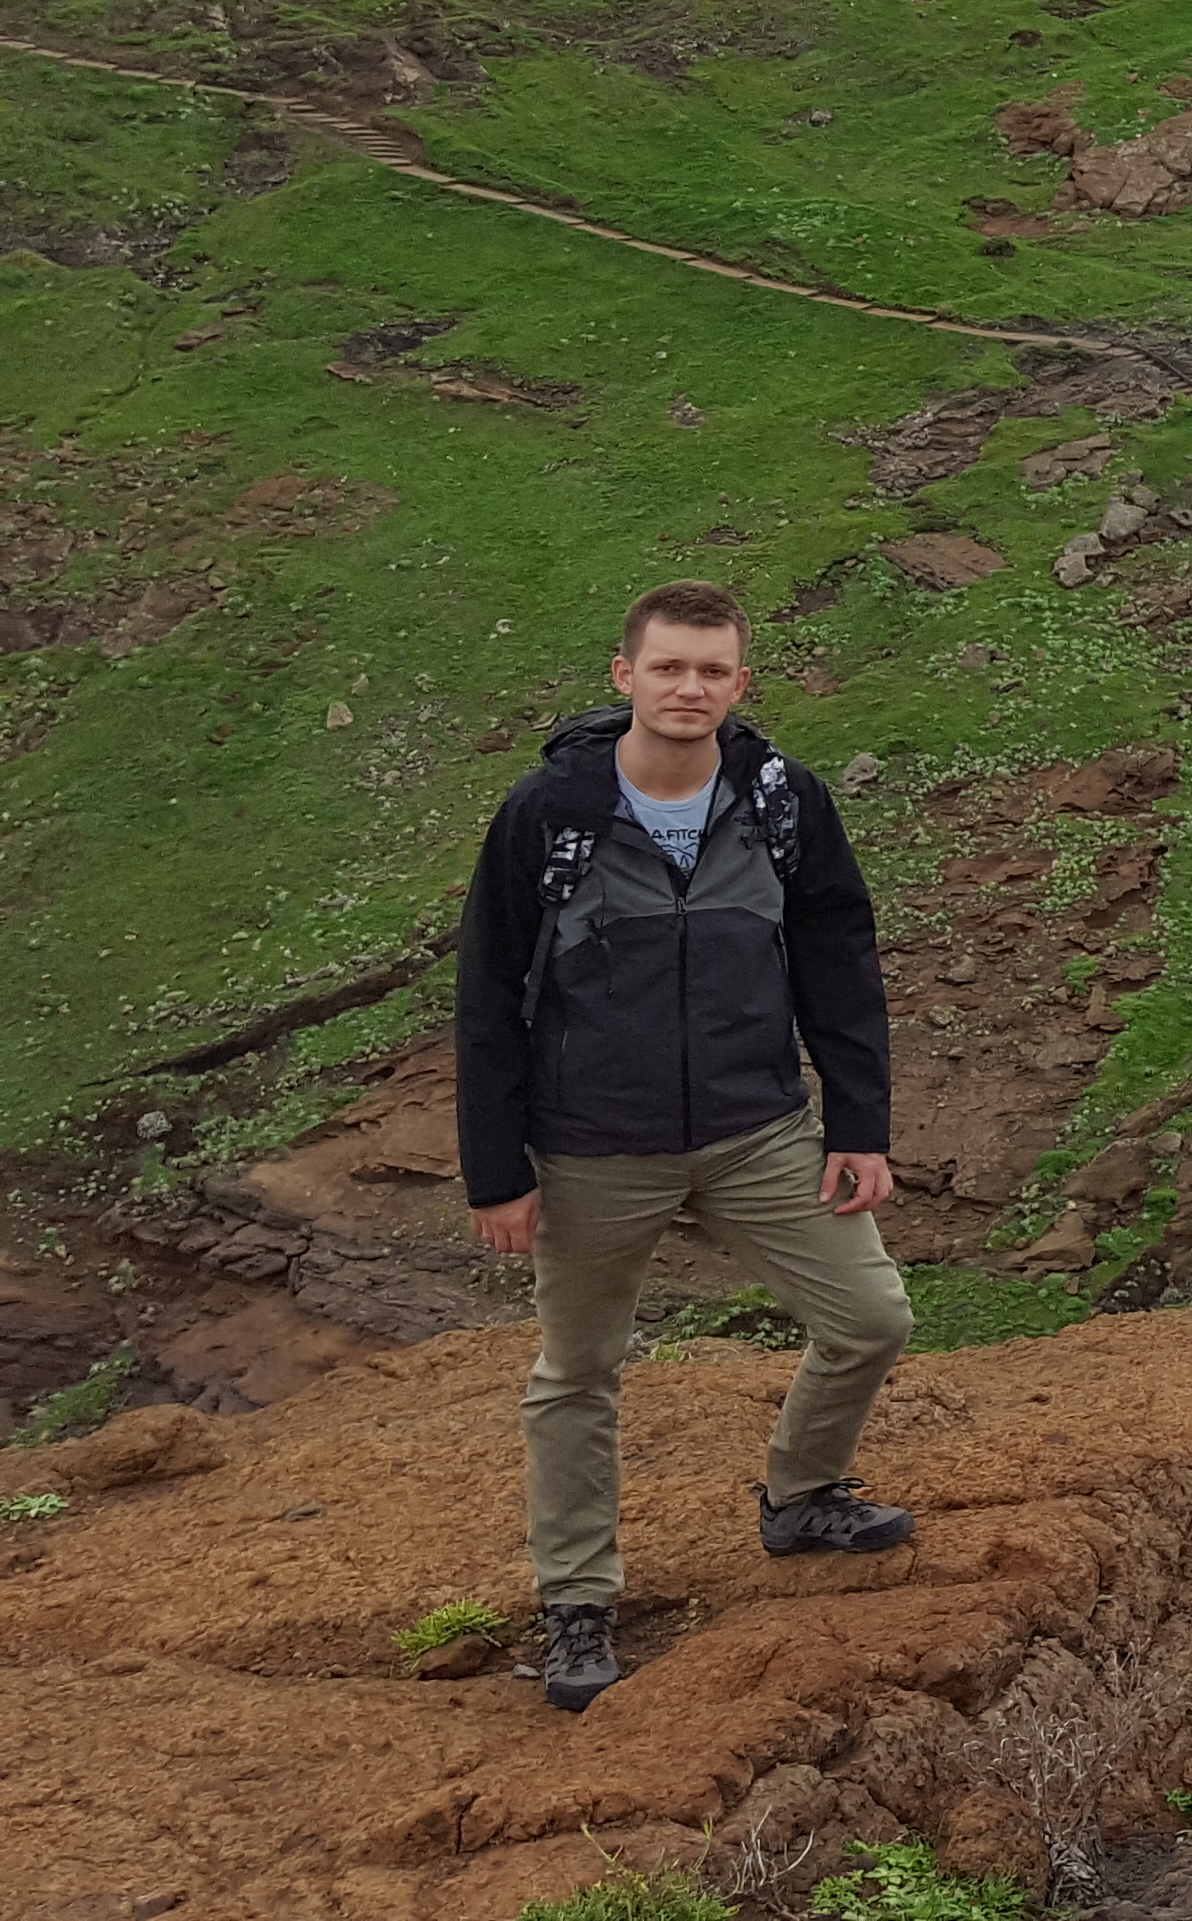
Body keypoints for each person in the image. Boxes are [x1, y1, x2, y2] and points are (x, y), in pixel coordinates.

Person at [452, 579, 916, 1714]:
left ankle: (802, 1495)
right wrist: (497, 1171)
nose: (689, 688)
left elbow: (838, 960)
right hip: (592, 1148)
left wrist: (858, 1123)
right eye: (668, 667)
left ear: (739, 684)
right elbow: (487, 992)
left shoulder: (779, 801)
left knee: (870, 1318)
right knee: (579, 1374)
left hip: (757, 1133)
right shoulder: (548, 814)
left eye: (712, 670)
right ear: (625, 677)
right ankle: (576, 1603)